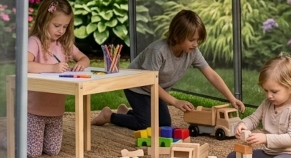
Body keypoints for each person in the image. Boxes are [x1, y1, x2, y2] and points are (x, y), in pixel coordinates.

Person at [91, 9, 244, 129]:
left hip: (156, 89)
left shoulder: (192, 52)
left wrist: (231, 98)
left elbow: (211, 74)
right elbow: (148, 83)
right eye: (191, 40)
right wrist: (175, 101)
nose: (196, 44)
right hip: (138, 87)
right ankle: (109, 116)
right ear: (177, 36)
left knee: (164, 124)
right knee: (147, 124)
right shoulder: (158, 51)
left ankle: (128, 113)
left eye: (198, 40)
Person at [0, 0, 89, 156]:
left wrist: (81, 64)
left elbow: (84, 58)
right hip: (35, 110)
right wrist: (52, 67)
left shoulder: (64, 44)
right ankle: (7, 139)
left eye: (65, 26)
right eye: (57, 25)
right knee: (32, 152)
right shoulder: (34, 42)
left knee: (53, 151)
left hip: (56, 110)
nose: (61, 31)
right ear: (44, 20)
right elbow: (24, 65)